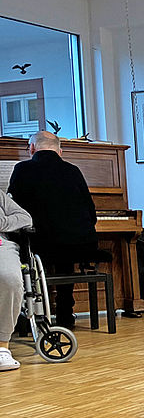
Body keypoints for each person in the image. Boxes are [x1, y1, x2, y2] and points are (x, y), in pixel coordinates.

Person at [8, 131, 99, 329]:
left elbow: (16, 211)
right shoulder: (73, 170)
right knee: (65, 252)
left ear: (32, 149)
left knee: (19, 248)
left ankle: (27, 319)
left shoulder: (22, 169)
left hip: (40, 241)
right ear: (60, 151)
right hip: (79, 242)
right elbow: (92, 215)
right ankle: (66, 315)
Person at [0, 191, 33, 371]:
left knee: (10, 278)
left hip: (0, 243)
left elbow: (25, 218)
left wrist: (2, 224)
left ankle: (2, 346)